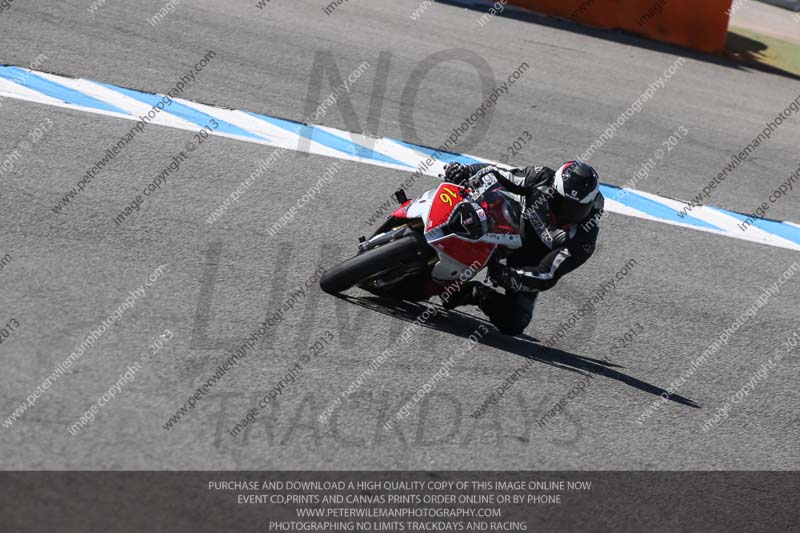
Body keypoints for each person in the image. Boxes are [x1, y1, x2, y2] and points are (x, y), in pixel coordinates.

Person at [439, 160, 604, 335]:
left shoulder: (584, 238)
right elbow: (498, 172)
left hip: (531, 256)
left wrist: (512, 277)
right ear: (553, 190)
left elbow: (547, 274)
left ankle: (473, 293)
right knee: (470, 193)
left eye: (577, 209)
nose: (567, 213)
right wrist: (467, 170)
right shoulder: (542, 177)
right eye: (562, 203)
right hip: (508, 219)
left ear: (590, 204)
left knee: (515, 320)